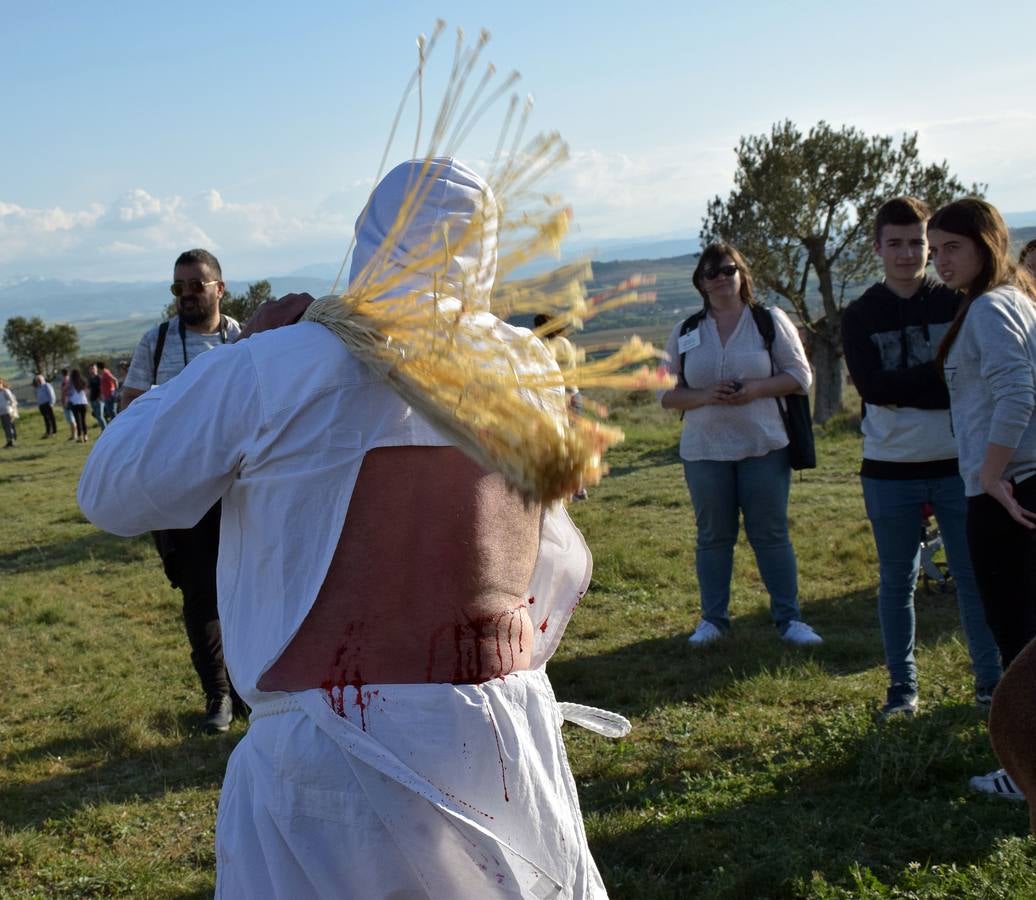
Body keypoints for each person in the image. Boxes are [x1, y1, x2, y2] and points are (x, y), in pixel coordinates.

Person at [79, 157, 608, 898]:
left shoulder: (278, 361)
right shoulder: (527, 369)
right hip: (498, 740)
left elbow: (111, 490)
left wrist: (234, 357)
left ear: (368, 238)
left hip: (333, 760)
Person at [841, 196, 1002, 719]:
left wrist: (903, 389)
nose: (908, 254)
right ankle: (903, 691)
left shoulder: (956, 303)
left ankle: (991, 685)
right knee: (896, 581)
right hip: (888, 468)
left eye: (918, 243)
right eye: (896, 243)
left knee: (973, 578)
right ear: (878, 247)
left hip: (959, 464)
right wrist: (935, 381)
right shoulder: (860, 313)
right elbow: (869, 386)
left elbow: (965, 384)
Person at [659, 243, 822, 647]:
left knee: (770, 533)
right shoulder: (685, 331)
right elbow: (665, 393)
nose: (719, 278)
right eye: (710, 272)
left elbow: (801, 377)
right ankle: (713, 620)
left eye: (727, 270)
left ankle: (790, 621)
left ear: (741, 275)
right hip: (704, 450)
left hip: (764, 445)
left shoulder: (769, 321)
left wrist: (754, 389)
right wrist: (706, 395)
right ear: (700, 282)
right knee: (713, 536)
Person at [930, 197, 1036, 800]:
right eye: (935, 248)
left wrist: (993, 475)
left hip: (1009, 489)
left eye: (953, 248)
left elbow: (1016, 394)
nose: (940, 260)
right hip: (1019, 482)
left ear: (986, 245)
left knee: (1018, 635)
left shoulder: (992, 307)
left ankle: (1025, 773)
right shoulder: (1011, 300)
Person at [120, 249, 242, 734]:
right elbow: (130, 406)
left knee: (246, 587)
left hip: (240, 490)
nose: (186, 295)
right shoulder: (156, 342)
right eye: (178, 287)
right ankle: (218, 694)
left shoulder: (244, 338)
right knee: (200, 593)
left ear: (219, 288)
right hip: (177, 493)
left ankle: (248, 688)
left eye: (196, 285)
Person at [68, 369, 89, 442]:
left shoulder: (71, 383)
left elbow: (69, 393)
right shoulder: (83, 381)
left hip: (75, 403)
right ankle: (85, 436)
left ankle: (80, 436)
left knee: (78, 421)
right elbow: (86, 392)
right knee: (83, 420)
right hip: (83, 402)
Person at [34, 374, 58, 438]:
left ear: (43, 379)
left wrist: (52, 403)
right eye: (38, 380)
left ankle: (54, 431)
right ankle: (48, 431)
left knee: (51, 418)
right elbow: (37, 396)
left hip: (48, 404)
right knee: (46, 419)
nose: (39, 381)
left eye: (40, 379)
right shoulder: (38, 388)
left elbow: (52, 394)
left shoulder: (46, 385)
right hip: (42, 405)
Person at [59, 368, 78, 441]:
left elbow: (64, 392)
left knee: (71, 419)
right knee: (72, 419)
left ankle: (74, 435)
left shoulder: (65, 381)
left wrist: (63, 402)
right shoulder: (70, 380)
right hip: (71, 401)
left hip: (67, 402)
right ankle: (73, 434)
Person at [87, 363, 106, 432]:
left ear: (96, 369)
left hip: (99, 400)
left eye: (93, 368)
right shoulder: (90, 379)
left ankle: (105, 431)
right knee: (98, 417)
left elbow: (102, 388)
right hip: (92, 400)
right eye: (90, 369)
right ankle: (103, 431)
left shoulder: (99, 378)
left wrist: (100, 397)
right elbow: (89, 389)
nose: (92, 370)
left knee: (100, 417)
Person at [0, 378, 18, 448]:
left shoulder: (5, 391)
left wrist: (12, 410)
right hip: (1, 412)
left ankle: (11, 441)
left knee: (8, 426)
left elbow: (12, 400)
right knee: (5, 427)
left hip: (8, 411)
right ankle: (9, 441)